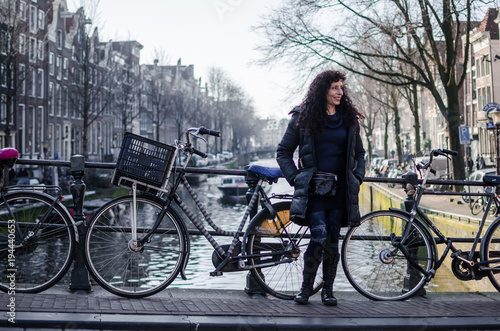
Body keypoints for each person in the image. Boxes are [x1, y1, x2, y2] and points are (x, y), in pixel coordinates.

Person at [276, 70, 365, 306]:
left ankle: (328, 290)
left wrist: (357, 176)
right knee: (319, 235)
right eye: (334, 87)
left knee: (333, 240)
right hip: (315, 191)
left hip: (341, 190)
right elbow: (283, 152)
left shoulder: (349, 118)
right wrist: (296, 178)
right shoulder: (303, 117)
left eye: (341, 88)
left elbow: (360, 153)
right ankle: (306, 289)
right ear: (322, 90)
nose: (339, 92)